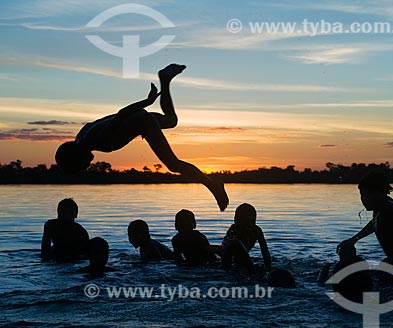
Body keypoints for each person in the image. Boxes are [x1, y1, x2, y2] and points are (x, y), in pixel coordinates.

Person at [55, 64, 228, 211]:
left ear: (76, 158)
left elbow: (120, 115)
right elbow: (115, 118)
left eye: (82, 166)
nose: (86, 166)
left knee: (173, 164)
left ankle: (213, 185)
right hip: (139, 119)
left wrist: (148, 101)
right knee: (171, 120)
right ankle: (165, 80)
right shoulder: (83, 136)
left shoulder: (95, 139)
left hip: (142, 122)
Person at [221, 203, 272, 273]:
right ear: (236, 221)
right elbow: (228, 250)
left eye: (251, 221)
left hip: (243, 259)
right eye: (245, 222)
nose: (248, 226)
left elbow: (265, 252)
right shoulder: (234, 230)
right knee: (234, 243)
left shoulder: (257, 230)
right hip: (227, 258)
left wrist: (268, 269)